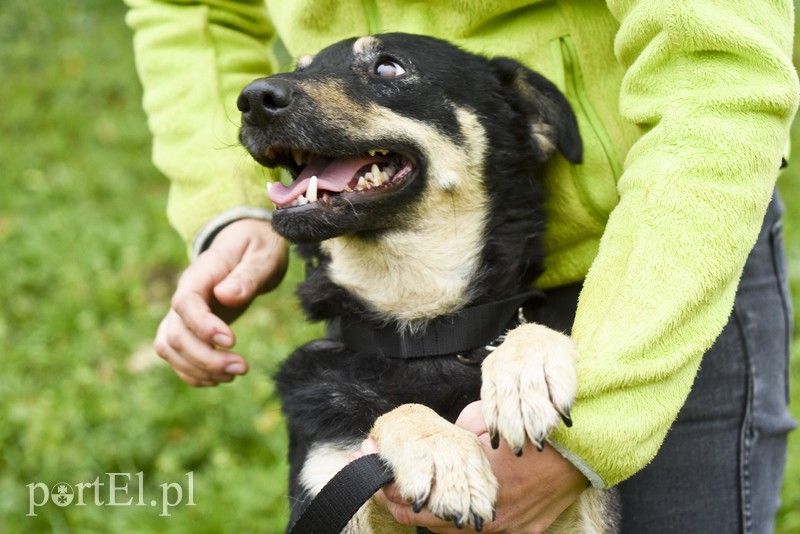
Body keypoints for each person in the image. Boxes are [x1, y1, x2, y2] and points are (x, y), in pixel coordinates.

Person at [124, 0, 798, 531]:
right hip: (366, 342)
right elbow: (192, 10)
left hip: (657, 258)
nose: (268, 96)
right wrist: (232, 206)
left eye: (386, 71)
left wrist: (586, 428)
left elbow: (718, 76)